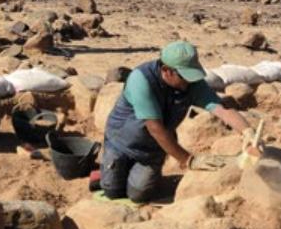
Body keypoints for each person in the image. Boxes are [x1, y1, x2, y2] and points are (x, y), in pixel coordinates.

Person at [100, 41, 258, 203]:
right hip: (120, 142)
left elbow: (221, 109)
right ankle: (103, 173)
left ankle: (133, 174)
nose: (188, 82)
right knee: (112, 191)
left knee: (138, 195)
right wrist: (188, 160)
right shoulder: (141, 80)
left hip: (153, 149)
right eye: (184, 76)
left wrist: (247, 131)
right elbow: (155, 127)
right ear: (166, 71)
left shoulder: (192, 84)